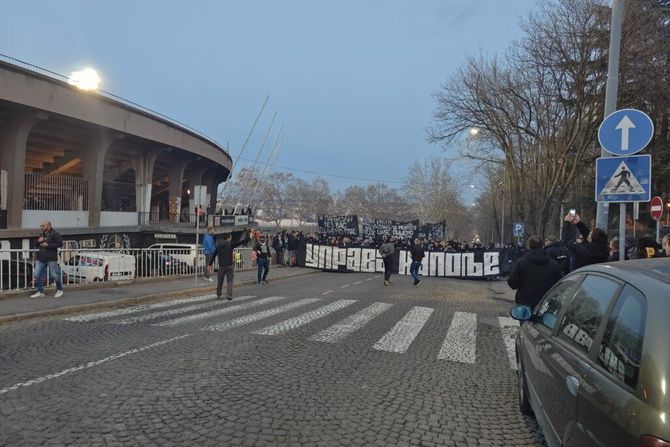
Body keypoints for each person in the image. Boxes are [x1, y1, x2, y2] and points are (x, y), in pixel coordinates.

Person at [507, 236, 562, 310]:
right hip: (546, 302)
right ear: (543, 245)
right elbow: (559, 284)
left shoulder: (521, 263)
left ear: (528, 246)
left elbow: (512, 283)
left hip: (525, 302)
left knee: (525, 320)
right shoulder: (554, 264)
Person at [208, 230, 251, 300]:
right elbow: (240, 242)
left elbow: (214, 255)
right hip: (229, 265)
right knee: (229, 281)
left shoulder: (218, 246)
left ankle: (219, 294)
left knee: (220, 281)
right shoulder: (230, 244)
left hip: (221, 266)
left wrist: (210, 264)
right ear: (228, 238)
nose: (231, 239)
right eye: (230, 237)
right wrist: (248, 238)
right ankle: (229, 294)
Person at [30, 220, 64, 298]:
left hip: (51, 258)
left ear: (49, 226)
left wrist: (48, 245)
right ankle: (40, 292)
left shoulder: (55, 234)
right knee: (36, 275)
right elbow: (35, 244)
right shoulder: (42, 234)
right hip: (41, 258)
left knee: (55, 275)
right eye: (41, 226)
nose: (41, 227)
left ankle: (60, 290)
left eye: (43, 226)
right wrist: (38, 241)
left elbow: (60, 244)